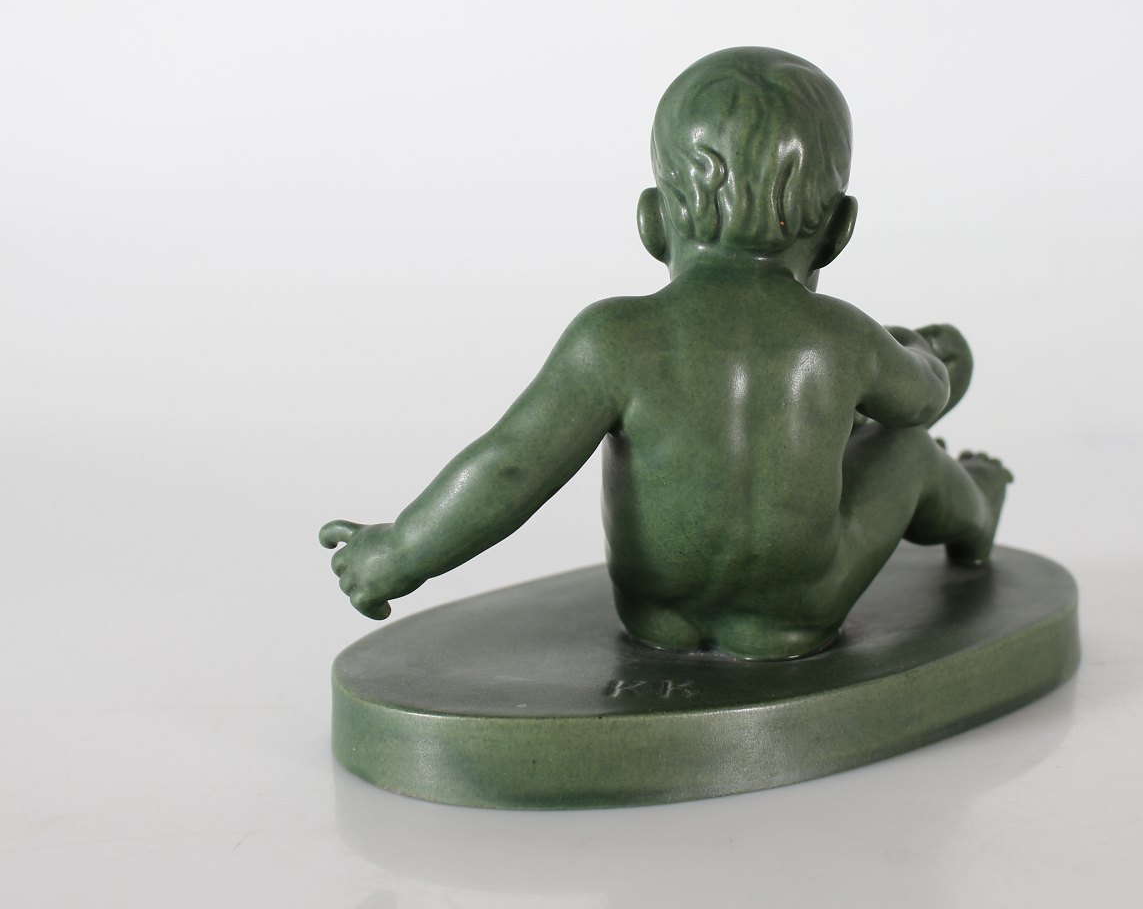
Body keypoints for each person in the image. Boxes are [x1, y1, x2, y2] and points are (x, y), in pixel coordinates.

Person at [321, 47, 1010, 660]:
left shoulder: (613, 337)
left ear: (651, 220)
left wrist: (399, 552)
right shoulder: (844, 338)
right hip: (799, 613)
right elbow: (922, 402)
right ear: (838, 232)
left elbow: (509, 465)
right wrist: (922, 351)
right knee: (907, 450)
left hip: (653, 613)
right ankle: (976, 513)